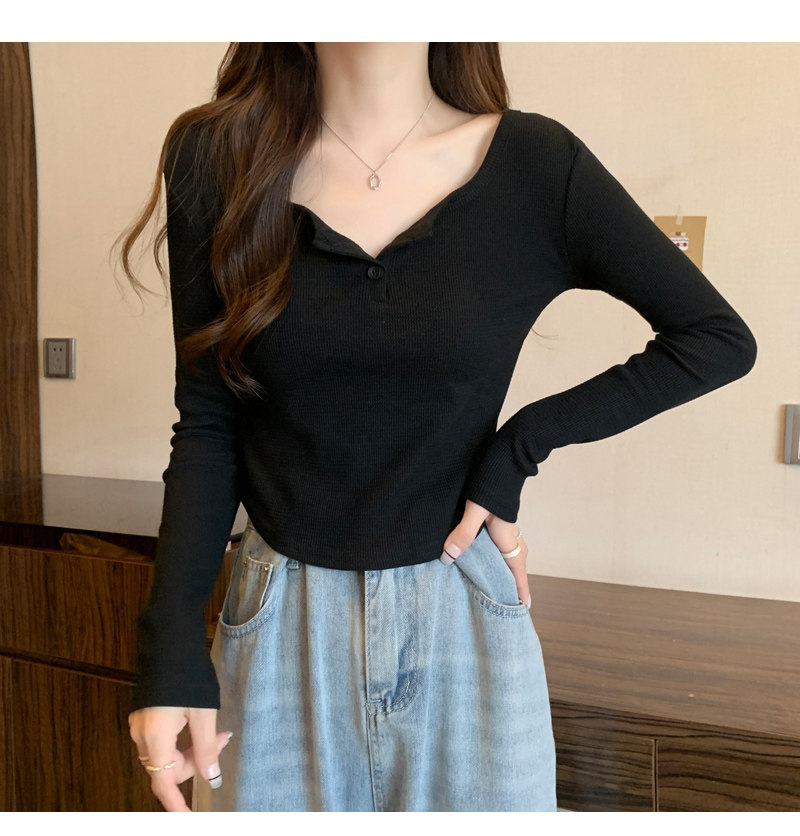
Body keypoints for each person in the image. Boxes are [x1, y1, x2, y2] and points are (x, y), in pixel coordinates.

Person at [117, 43, 757, 812]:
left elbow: (715, 339)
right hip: (279, 624)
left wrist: (517, 448)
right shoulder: (214, 158)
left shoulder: (535, 165)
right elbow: (208, 420)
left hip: (465, 618)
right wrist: (169, 654)